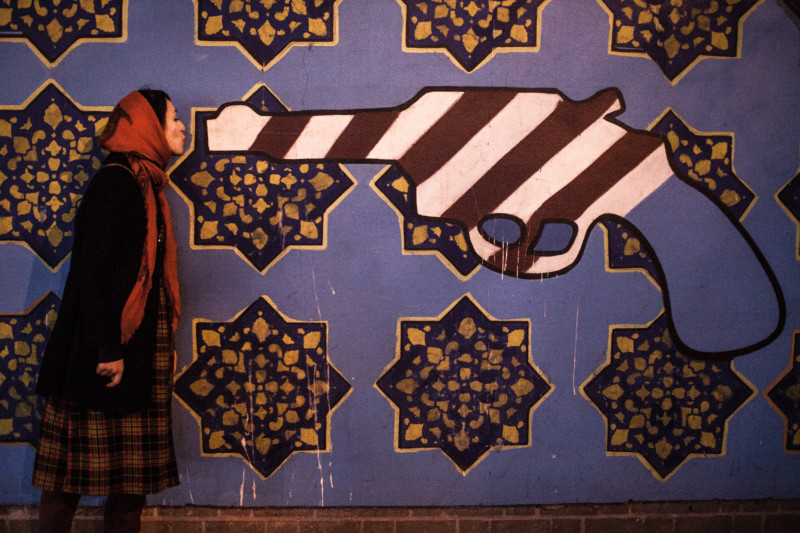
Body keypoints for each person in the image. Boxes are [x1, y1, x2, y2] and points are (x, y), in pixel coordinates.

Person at [32, 89, 186, 533]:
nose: (181, 127)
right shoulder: (117, 183)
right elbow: (93, 273)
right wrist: (108, 349)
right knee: (69, 474)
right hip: (105, 348)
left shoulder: (147, 183)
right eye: (173, 118)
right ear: (149, 127)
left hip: (137, 345)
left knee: (131, 478)